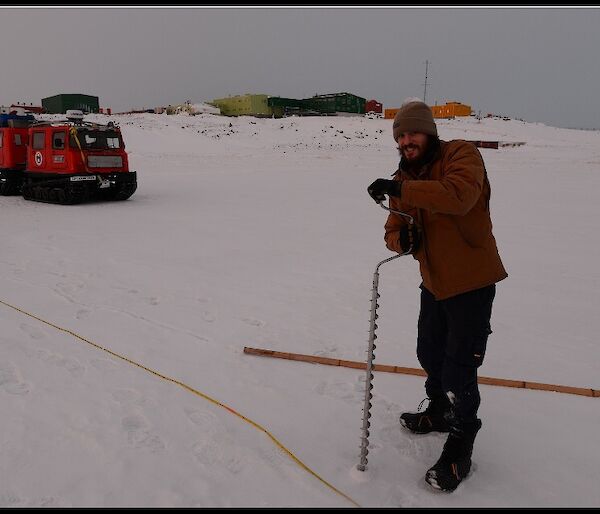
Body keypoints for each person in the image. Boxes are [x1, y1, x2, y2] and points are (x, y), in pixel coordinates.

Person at [367, 99, 507, 492]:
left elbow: (459, 195)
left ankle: (462, 438)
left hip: (472, 282)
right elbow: (393, 228)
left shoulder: (461, 154)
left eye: (412, 132)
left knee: (460, 366)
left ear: (429, 132)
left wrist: (401, 187)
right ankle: (442, 410)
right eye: (400, 135)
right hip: (434, 283)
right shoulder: (404, 175)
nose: (407, 140)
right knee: (429, 353)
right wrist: (402, 240)